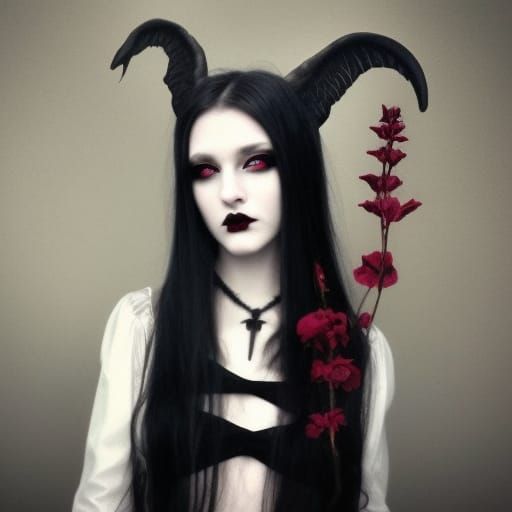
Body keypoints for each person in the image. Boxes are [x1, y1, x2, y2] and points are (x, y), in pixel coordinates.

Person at [72, 19, 427, 512]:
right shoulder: (142, 329)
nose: (229, 192)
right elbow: (100, 503)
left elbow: (369, 504)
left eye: (256, 162)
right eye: (205, 169)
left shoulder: (357, 352)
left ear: (299, 169)